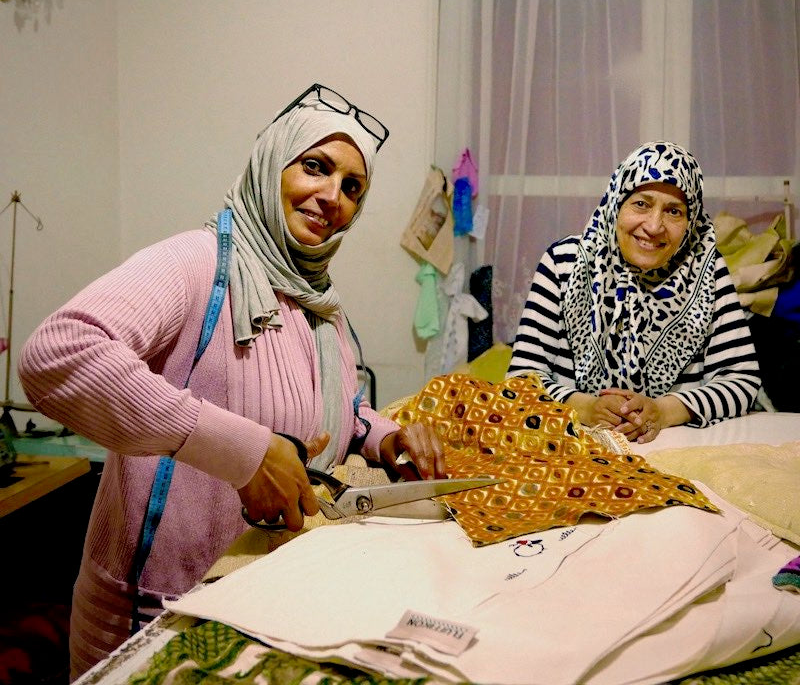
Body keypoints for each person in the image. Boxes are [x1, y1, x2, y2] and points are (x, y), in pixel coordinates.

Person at [17, 83, 446, 678]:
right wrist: (245, 453)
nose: (331, 197)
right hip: (155, 616)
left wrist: (385, 436)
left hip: (258, 599)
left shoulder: (320, 303)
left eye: (352, 188)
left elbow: (338, 408)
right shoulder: (197, 264)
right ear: (271, 164)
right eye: (316, 167)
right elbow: (58, 354)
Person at [508, 141, 761, 444]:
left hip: (677, 455)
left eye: (674, 211)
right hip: (574, 453)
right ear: (616, 203)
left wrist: (664, 412)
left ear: (690, 221)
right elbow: (520, 381)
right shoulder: (564, 263)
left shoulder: (707, 272)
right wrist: (587, 408)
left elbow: (742, 381)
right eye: (641, 204)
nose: (654, 226)